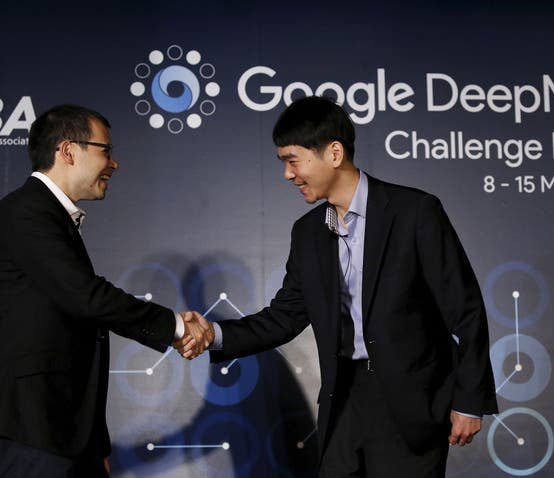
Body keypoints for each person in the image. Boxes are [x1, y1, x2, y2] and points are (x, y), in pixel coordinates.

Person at [180, 96, 497, 477]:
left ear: (333, 153)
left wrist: (469, 400)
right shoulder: (308, 232)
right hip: (343, 398)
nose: (287, 174)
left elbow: (466, 311)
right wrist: (213, 334)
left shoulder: (415, 212)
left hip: (412, 403)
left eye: (292, 160)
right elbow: (285, 316)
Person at [0, 104, 213, 477]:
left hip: (68, 436)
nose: (114, 164)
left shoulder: (48, 215)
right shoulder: (26, 212)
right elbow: (86, 297)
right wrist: (177, 328)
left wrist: (94, 444)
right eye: (106, 151)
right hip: (35, 434)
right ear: (68, 151)